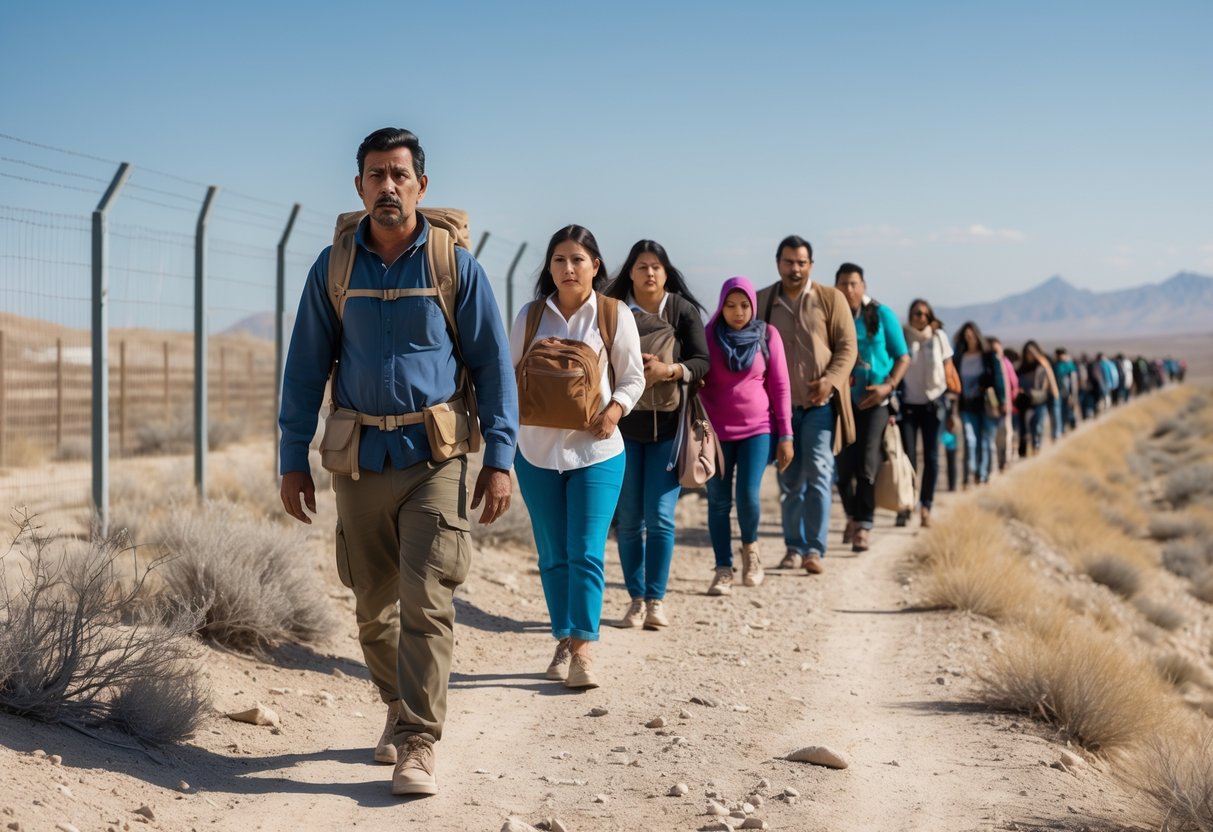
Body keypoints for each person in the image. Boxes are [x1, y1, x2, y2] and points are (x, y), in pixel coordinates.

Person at [279, 128, 518, 797]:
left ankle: (417, 740)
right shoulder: (334, 268)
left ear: (421, 186)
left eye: (400, 174)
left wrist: (499, 456)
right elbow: (303, 371)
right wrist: (290, 457)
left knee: (427, 598)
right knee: (371, 607)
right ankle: (394, 699)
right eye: (376, 175)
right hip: (356, 460)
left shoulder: (452, 265)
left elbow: (494, 367)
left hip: (433, 458)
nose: (388, 186)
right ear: (358, 186)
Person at [510, 225, 645, 690]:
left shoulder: (613, 314)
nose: (568, 268)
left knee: (585, 551)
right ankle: (564, 637)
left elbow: (633, 378)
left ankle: (583, 650)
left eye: (578, 260)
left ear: (596, 266)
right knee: (552, 556)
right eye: (559, 260)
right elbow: (509, 380)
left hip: (598, 451)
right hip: (535, 453)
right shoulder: (530, 317)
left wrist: (613, 411)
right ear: (549, 268)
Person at [602, 241, 709, 629]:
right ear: (629, 272)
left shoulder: (681, 311)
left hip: (669, 427)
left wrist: (670, 371)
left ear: (666, 273)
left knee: (660, 517)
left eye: (656, 267)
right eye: (642, 266)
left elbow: (702, 361)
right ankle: (635, 599)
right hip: (621, 428)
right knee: (629, 520)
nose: (649, 273)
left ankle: (656, 600)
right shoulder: (610, 309)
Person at [756, 237, 856, 575]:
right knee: (789, 479)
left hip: (820, 406)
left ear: (811, 264)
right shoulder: (762, 301)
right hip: (780, 410)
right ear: (778, 263)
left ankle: (814, 549)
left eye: (801, 262)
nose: (794, 269)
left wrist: (830, 380)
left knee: (819, 472)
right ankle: (793, 548)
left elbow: (847, 346)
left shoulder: (831, 299)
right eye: (788, 262)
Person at [698, 277, 793, 595]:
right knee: (719, 502)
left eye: (744, 305)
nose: (738, 312)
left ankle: (751, 552)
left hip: (758, 430)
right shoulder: (708, 336)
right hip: (716, 434)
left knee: (748, 496)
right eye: (730, 305)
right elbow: (695, 378)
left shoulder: (767, 334)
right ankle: (723, 567)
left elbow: (780, 385)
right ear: (721, 306)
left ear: (753, 306)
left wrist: (786, 434)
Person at [833, 264, 909, 551]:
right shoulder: (832, 315)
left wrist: (888, 386)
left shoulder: (881, 314)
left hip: (876, 402)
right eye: (843, 284)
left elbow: (902, 356)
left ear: (863, 285)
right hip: (841, 402)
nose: (849, 289)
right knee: (842, 469)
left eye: (854, 283)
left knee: (866, 465)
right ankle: (852, 516)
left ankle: (864, 525)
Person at [898, 299, 954, 528]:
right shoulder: (902, 337)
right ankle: (905, 505)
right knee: (908, 458)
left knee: (932, 458)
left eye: (923, 314)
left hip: (933, 404)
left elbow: (949, 370)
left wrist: (952, 405)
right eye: (915, 313)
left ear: (929, 316)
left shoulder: (939, 337)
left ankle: (926, 507)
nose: (919, 318)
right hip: (909, 405)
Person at [953, 322, 1005, 486]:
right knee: (969, 439)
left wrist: (1001, 401)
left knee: (985, 440)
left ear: (977, 336)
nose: (970, 339)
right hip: (966, 405)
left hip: (986, 404)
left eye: (972, 335)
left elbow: (998, 379)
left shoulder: (988, 356)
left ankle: (982, 475)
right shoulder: (959, 357)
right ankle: (971, 471)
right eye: (966, 336)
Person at [1014, 340, 1058, 457]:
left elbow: (1046, 385)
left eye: (1032, 352)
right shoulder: (1020, 369)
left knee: (1037, 425)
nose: (1030, 355)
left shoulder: (1042, 367)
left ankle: (1036, 446)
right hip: (1025, 402)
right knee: (1024, 427)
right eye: (1028, 352)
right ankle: (1024, 450)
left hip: (1040, 400)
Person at [987, 337, 1018, 472]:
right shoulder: (990, 364)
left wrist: (1008, 401)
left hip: (1007, 405)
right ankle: (998, 462)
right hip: (992, 406)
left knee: (1006, 433)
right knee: (996, 436)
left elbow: (1013, 383)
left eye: (996, 348)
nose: (994, 351)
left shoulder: (1005, 363)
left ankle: (1005, 461)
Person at [1052, 348, 1079, 436]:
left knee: (1069, 410)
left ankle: (1072, 424)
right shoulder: (1055, 365)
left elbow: (1073, 382)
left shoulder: (1069, 365)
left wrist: (1072, 394)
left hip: (1068, 393)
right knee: (1058, 412)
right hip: (1057, 392)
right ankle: (1060, 430)